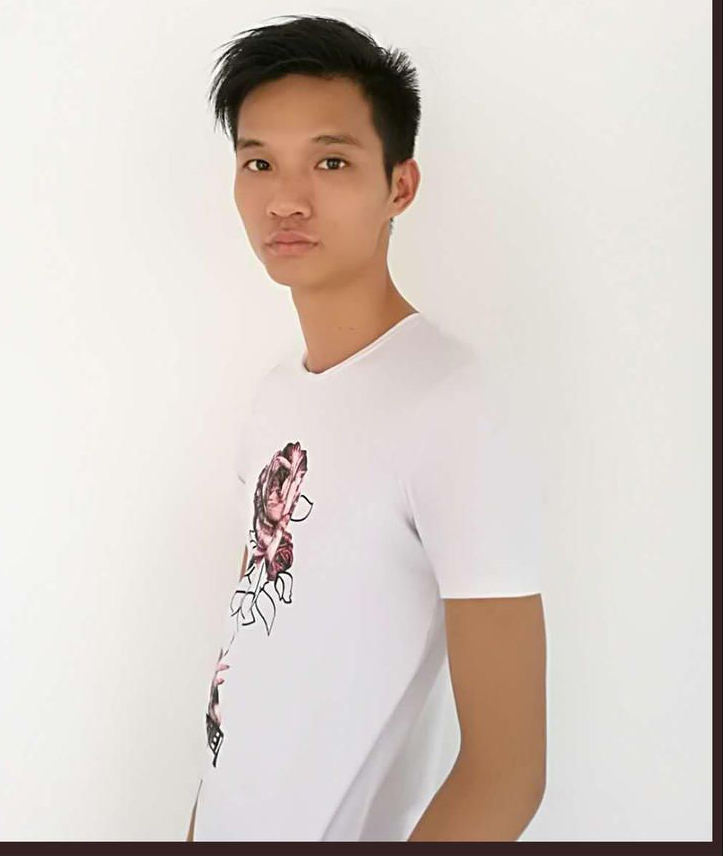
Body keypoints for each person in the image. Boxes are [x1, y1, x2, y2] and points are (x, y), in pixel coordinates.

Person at [187, 14, 547, 842]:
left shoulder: (453, 404)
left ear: (400, 186)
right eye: (259, 162)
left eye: (331, 161)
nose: (286, 198)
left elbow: (507, 774)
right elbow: (241, 672)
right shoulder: (274, 398)